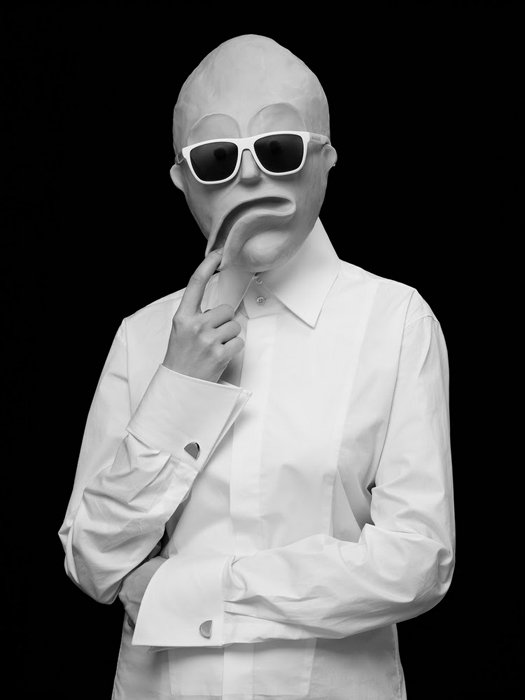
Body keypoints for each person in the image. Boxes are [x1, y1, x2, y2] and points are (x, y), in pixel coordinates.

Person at [59, 33, 455, 700]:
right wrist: (178, 386)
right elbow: (92, 560)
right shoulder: (142, 336)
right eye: (217, 157)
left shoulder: (394, 322)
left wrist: (191, 592)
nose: (248, 178)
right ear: (182, 180)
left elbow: (417, 562)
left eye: (278, 149)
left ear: (325, 158)